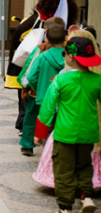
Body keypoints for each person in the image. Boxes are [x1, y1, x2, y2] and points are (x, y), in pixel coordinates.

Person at [35, 35, 101, 213]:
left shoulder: (59, 80)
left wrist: (39, 134)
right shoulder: (98, 80)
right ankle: (86, 196)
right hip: (88, 134)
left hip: (65, 134)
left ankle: (65, 208)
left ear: (70, 57)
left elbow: (47, 109)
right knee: (84, 166)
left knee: (64, 170)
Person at [6, 0, 78, 134]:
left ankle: (25, 128)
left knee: (29, 97)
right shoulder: (68, 21)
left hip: (38, 61)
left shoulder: (40, 17)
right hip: (61, 64)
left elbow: (19, 30)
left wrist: (19, 45)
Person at [18, 19, 65, 157]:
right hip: (61, 96)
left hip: (39, 94)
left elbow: (30, 75)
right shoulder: (69, 56)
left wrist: (34, 87)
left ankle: (27, 144)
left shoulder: (41, 52)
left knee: (32, 117)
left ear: (47, 37)